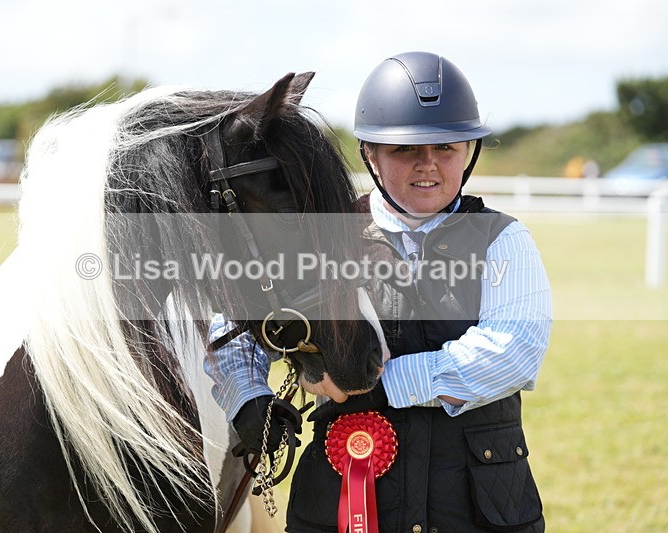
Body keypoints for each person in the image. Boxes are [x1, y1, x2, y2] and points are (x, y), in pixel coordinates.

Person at [206, 51, 552, 532]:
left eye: (447, 149)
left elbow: (514, 351)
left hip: (478, 506)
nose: (428, 165)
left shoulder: (504, 240)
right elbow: (236, 328)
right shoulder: (320, 234)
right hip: (339, 504)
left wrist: (382, 383)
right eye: (406, 150)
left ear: (468, 153)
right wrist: (249, 398)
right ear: (370, 153)